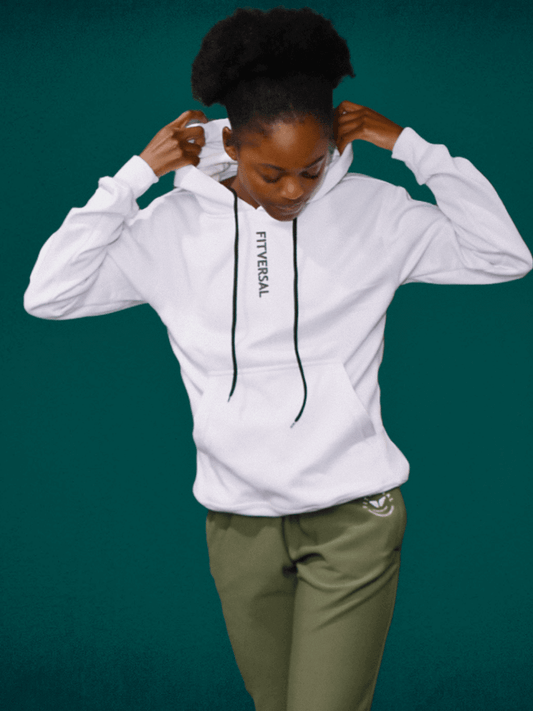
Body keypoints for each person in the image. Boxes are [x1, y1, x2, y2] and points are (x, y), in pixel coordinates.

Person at [23, 7, 532, 711]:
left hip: (353, 516)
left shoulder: (375, 213)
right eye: (272, 173)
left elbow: (503, 255)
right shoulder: (169, 230)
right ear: (231, 143)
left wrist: (411, 147)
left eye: (311, 169)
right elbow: (48, 294)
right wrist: (135, 176)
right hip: (237, 523)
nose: (294, 190)